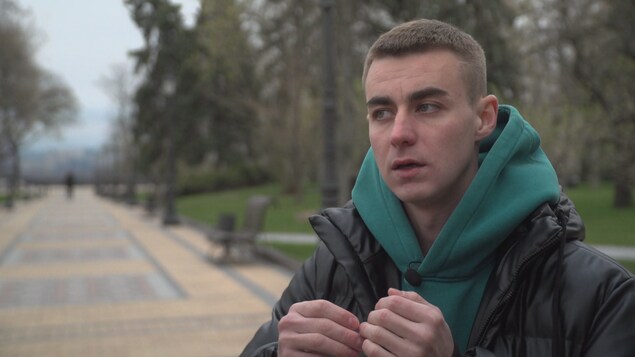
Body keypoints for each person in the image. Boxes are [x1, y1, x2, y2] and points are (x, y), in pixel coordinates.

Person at [240, 19, 635, 357]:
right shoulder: (334, 263)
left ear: (483, 118)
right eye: (381, 112)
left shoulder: (602, 295)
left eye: (427, 106)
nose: (399, 134)